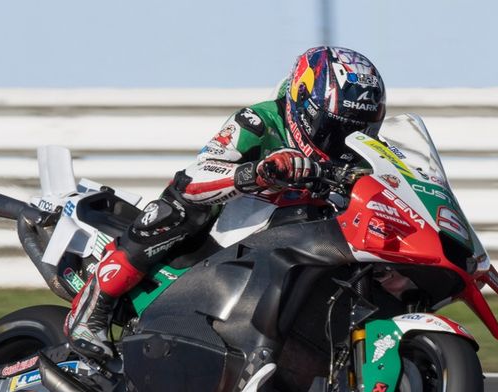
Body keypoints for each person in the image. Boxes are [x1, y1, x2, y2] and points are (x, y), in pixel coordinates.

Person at [65, 46, 387, 358]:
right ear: (304, 104)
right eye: (336, 129)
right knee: (180, 207)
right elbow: (197, 175)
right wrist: (257, 172)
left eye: (359, 131)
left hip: (299, 239)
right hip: (223, 230)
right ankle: (94, 307)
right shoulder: (258, 122)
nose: (346, 143)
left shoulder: (364, 152)